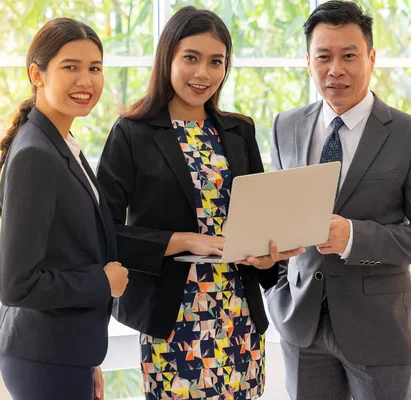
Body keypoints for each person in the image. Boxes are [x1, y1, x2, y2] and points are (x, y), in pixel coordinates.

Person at [96, 6, 303, 399]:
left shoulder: (239, 131)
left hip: (238, 314)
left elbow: (259, 219)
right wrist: (186, 240)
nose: (202, 74)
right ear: (167, 58)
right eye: (191, 58)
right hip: (175, 321)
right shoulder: (132, 133)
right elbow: (104, 233)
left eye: (216, 62)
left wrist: (266, 257)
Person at [265, 1, 411, 399]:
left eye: (349, 55)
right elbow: (280, 217)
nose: (336, 69)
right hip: (301, 325)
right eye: (324, 57)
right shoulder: (286, 126)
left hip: (380, 330)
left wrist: (353, 236)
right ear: (308, 61)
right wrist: (278, 284)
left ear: (370, 58)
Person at [0, 18, 129, 400]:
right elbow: (17, 284)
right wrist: (103, 284)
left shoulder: (59, 140)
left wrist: (87, 358)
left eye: (95, 68)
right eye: (70, 67)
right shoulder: (36, 154)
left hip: (64, 351)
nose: (87, 80)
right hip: (43, 357)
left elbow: (67, 251)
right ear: (37, 75)